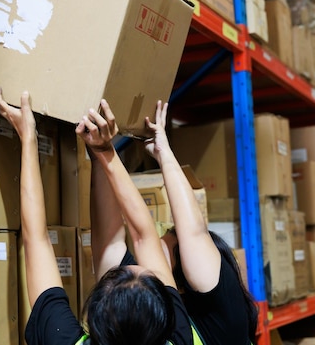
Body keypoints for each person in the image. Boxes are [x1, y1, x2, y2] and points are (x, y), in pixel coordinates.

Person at [0, 89, 193, 345]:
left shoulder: (178, 336)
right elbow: (142, 237)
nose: (136, 264)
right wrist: (100, 152)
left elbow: (143, 237)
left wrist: (29, 139)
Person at [89, 99, 258, 345]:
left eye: (163, 247)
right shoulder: (149, 299)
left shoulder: (223, 320)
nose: (151, 249)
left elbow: (194, 233)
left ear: (183, 283)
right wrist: (97, 155)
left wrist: (163, 152)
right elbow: (109, 247)